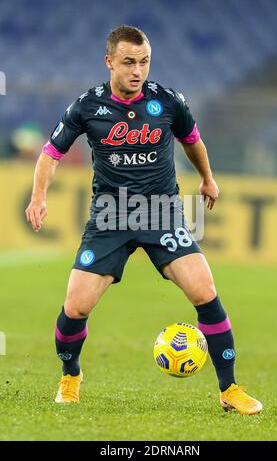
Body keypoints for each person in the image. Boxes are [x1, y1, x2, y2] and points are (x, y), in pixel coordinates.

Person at [26, 25, 262, 415]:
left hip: (162, 214)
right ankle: (70, 375)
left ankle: (230, 388)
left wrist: (207, 178)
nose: (138, 71)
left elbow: (192, 140)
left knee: (204, 290)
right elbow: (51, 153)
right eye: (129, 62)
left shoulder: (168, 101)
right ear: (110, 62)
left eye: (145, 62)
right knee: (76, 307)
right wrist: (38, 197)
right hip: (110, 218)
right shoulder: (87, 106)